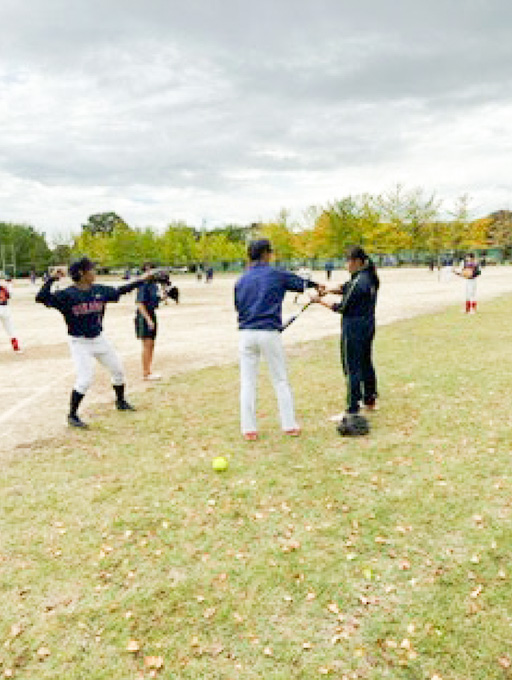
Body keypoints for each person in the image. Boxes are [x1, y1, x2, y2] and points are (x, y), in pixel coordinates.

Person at [35, 256, 155, 429]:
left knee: (118, 370)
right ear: (82, 273)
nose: (94, 272)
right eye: (91, 269)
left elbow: (120, 290)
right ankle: (72, 415)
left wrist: (141, 281)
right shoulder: (67, 295)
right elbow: (41, 298)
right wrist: (52, 279)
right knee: (84, 379)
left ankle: (120, 402)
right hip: (79, 342)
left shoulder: (98, 290)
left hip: (99, 339)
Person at [234, 239, 325, 441]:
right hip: (268, 332)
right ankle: (289, 425)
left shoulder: (241, 280)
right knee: (280, 380)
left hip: (246, 332)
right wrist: (317, 285)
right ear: (267, 254)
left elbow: (238, 307)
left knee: (247, 382)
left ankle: (248, 429)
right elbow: (301, 283)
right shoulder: (276, 274)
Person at [312, 246, 379, 420]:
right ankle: (370, 399)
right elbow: (345, 288)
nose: (346, 264)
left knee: (352, 367)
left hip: (354, 327)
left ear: (357, 262)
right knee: (365, 362)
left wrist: (319, 301)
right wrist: (327, 289)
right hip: (368, 325)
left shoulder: (360, 281)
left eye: (348, 261)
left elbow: (341, 307)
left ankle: (352, 408)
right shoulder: (369, 277)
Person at [135, 262, 162, 380]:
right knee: (147, 344)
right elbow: (140, 303)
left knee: (151, 344)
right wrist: (148, 320)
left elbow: (154, 301)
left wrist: (165, 296)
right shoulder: (143, 284)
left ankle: (149, 370)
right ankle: (146, 372)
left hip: (151, 313)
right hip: (144, 315)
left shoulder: (154, 285)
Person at [0, 275, 22, 353]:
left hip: (4, 308)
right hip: (5, 308)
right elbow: (9, 295)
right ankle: (16, 347)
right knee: (10, 329)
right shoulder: (5, 286)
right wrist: (9, 284)